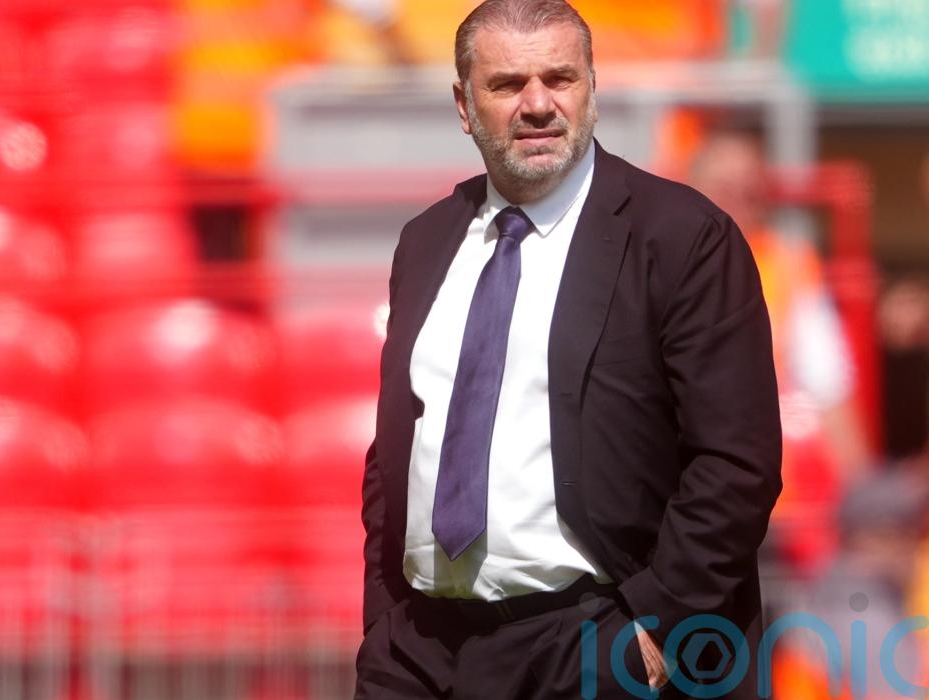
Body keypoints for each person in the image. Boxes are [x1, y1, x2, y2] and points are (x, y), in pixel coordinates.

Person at [354, 2, 782, 698]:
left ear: (592, 87)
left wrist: (657, 628)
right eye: (507, 84)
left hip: (596, 648)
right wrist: (383, 622)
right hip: (419, 655)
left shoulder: (682, 237)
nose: (537, 104)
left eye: (560, 78)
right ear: (464, 105)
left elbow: (737, 461)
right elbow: (396, 453)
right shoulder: (426, 241)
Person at [687, 128, 870, 575]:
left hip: (775, 502)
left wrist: (863, 497)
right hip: (686, 493)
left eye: (750, 187)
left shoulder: (789, 264)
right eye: (724, 185)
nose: (738, 198)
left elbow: (829, 386)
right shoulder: (660, 260)